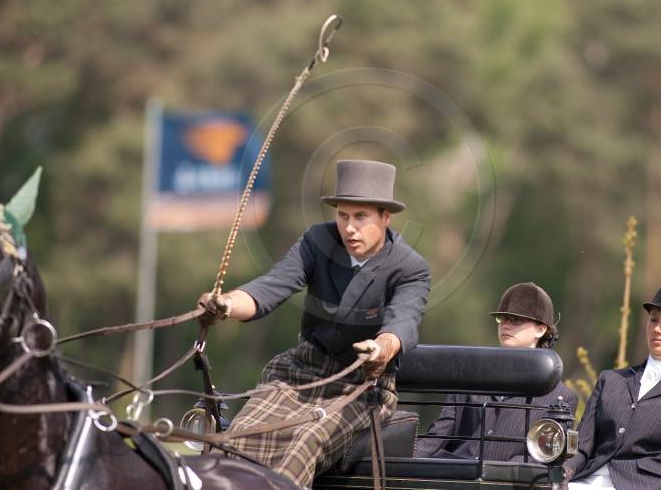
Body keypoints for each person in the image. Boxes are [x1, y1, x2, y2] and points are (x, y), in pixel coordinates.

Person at [198, 159, 431, 487]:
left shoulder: (409, 268)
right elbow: (272, 286)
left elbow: (403, 322)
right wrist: (226, 304)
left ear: (385, 217)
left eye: (361, 217)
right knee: (238, 435)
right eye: (343, 216)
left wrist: (381, 349)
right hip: (300, 373)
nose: (349, 228)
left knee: (304, 441)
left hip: (361, 386)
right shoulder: (317, 241)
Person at [565, 281, 661, 490]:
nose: (657, 329)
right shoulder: (610, 380)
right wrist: (560, 476)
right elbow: (580, 447)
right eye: (653, 320)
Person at [417, 282, 578, 461]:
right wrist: (403, 462)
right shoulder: (469, 376)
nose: (506, 325)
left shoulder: (560, 398)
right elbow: (439, 434)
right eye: (502, 319)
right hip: (457, 471)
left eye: (516, 320)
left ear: (540, 330)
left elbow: (545, 457)